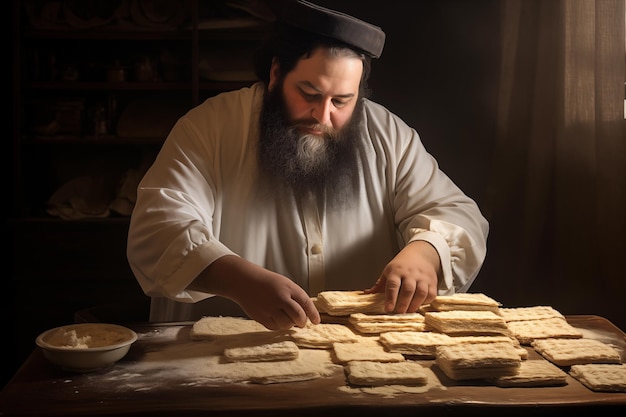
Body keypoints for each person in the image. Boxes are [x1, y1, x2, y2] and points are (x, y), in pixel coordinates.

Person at [126, 0, 489, 330]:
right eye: (309, 94)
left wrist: (425, 253)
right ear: (275, 76)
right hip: (222, 359)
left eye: (342, 101)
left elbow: (457, 213)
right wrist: (240, 281)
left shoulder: (388, 133)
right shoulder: (209, 127)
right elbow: (158, 231)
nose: (323, 115)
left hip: (357, 359)